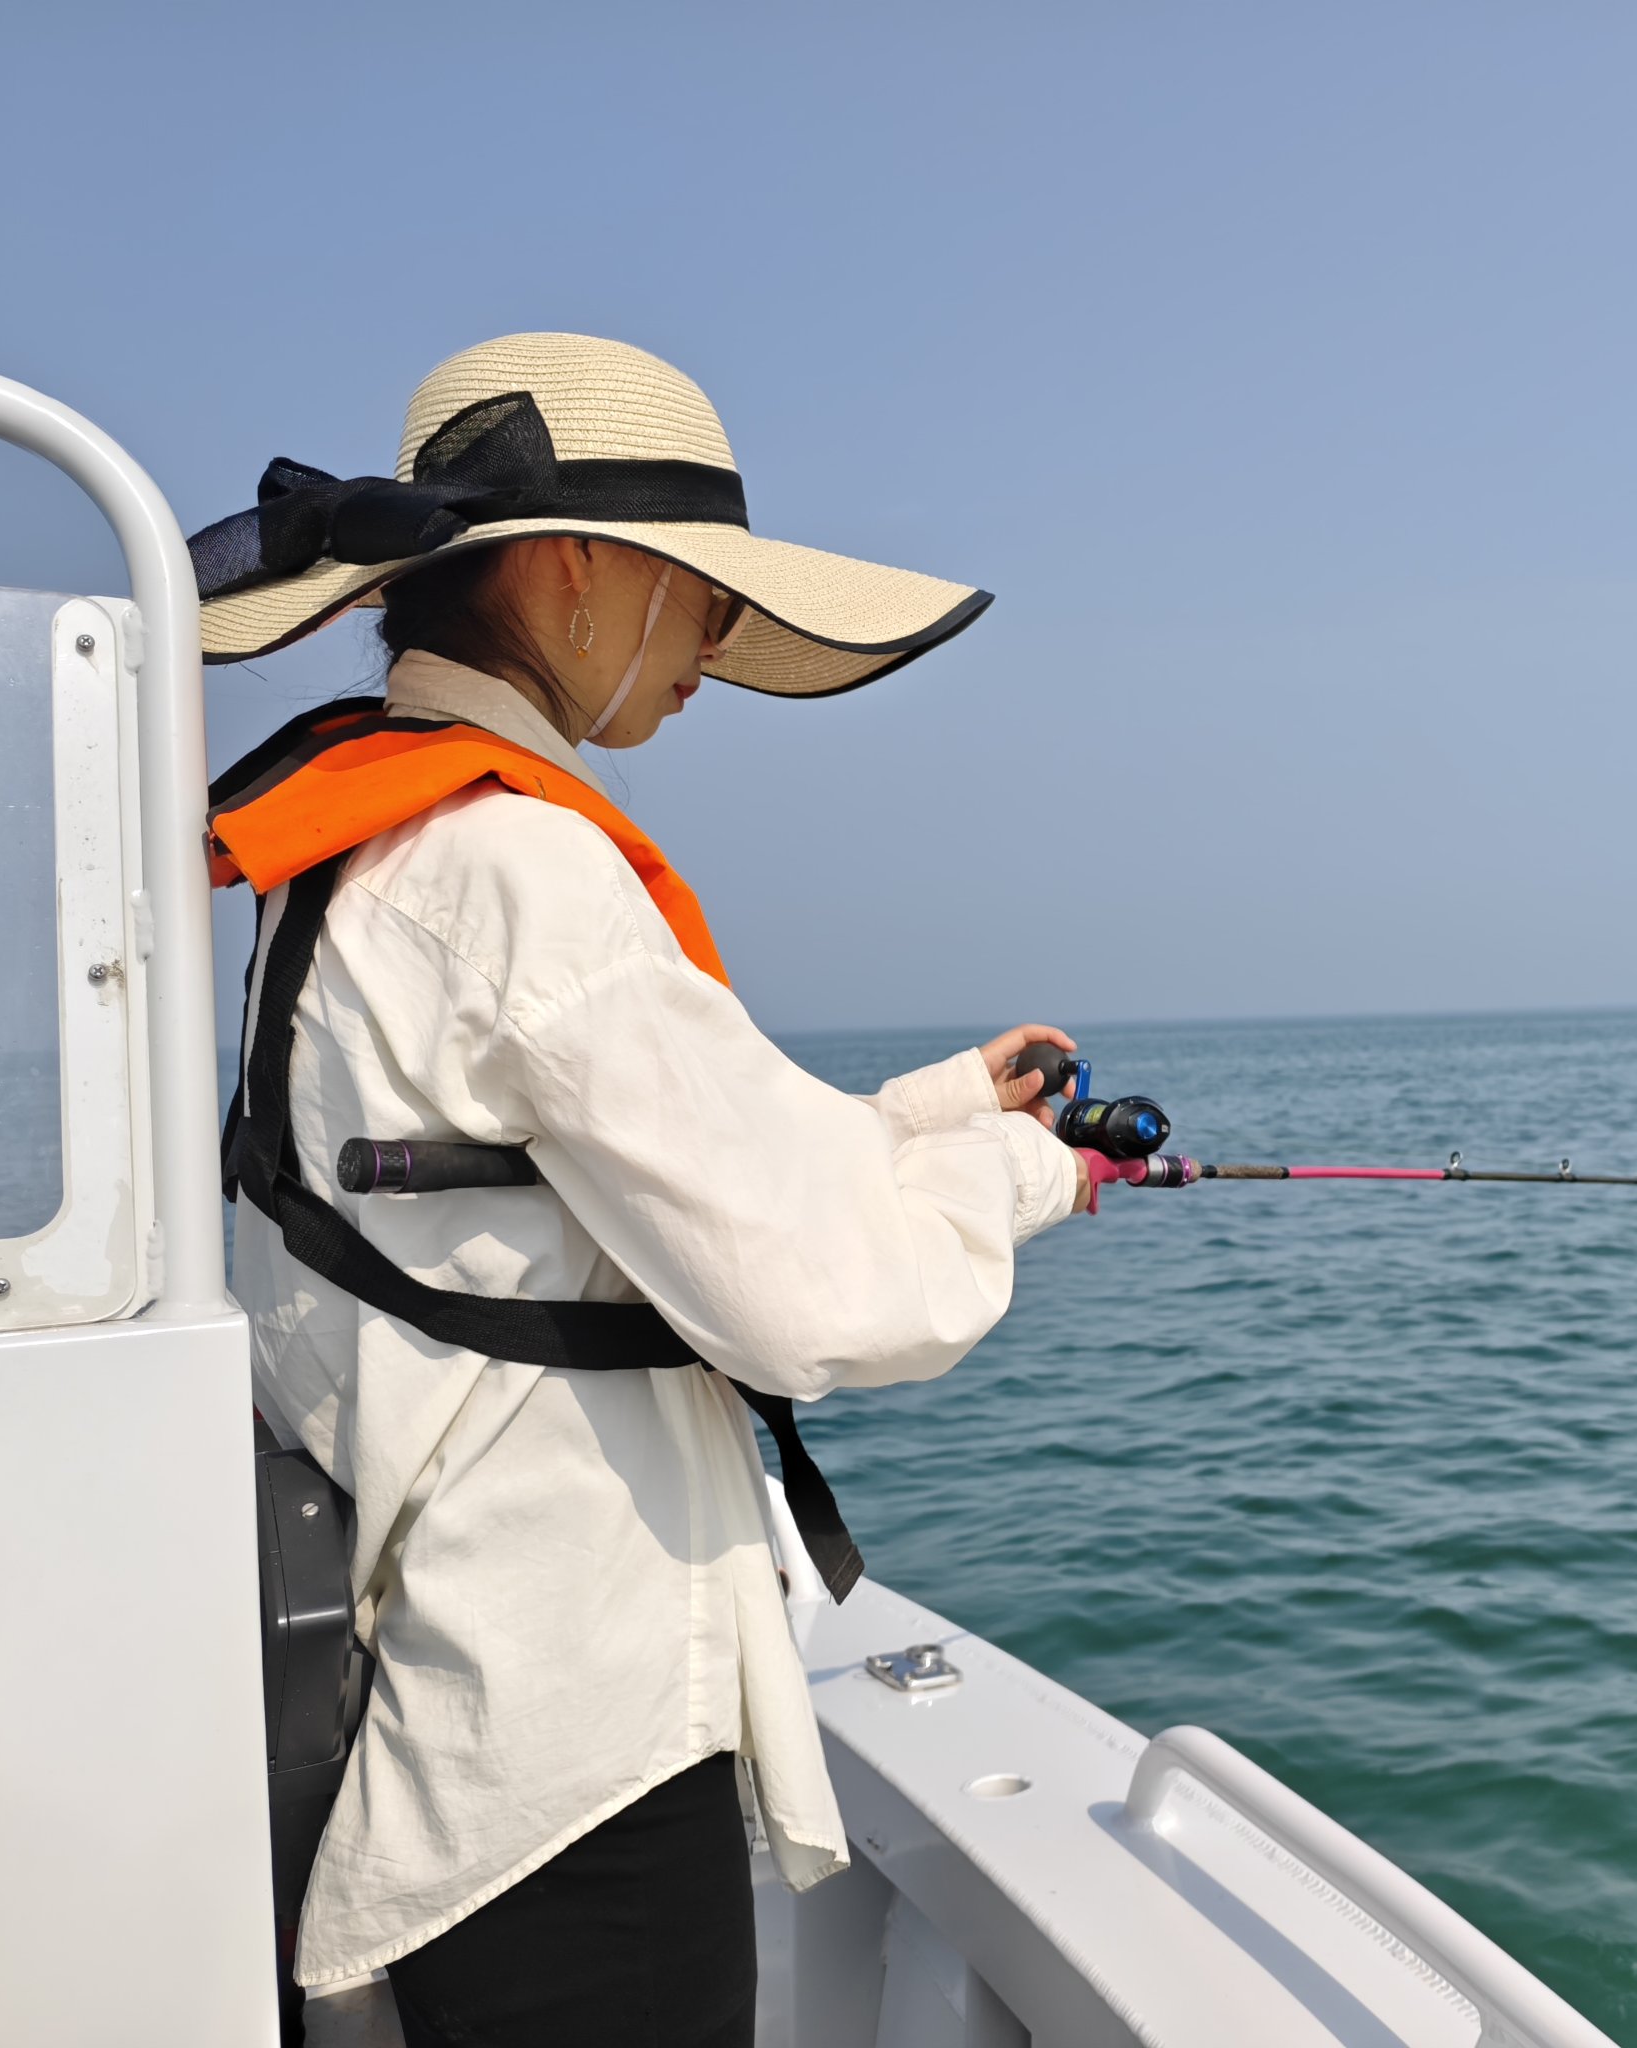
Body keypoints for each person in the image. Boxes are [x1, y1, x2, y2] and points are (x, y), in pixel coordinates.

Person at [194, 333, 1090, 2046]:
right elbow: (826, 1300)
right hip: (571, 1750)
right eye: (698, 592)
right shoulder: (519, 868)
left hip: (462, 1687)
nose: (718, 644)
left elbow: (589, 1190)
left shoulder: (363, 854)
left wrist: (938, 1110)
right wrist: (1019, 1173)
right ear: (570, 573)